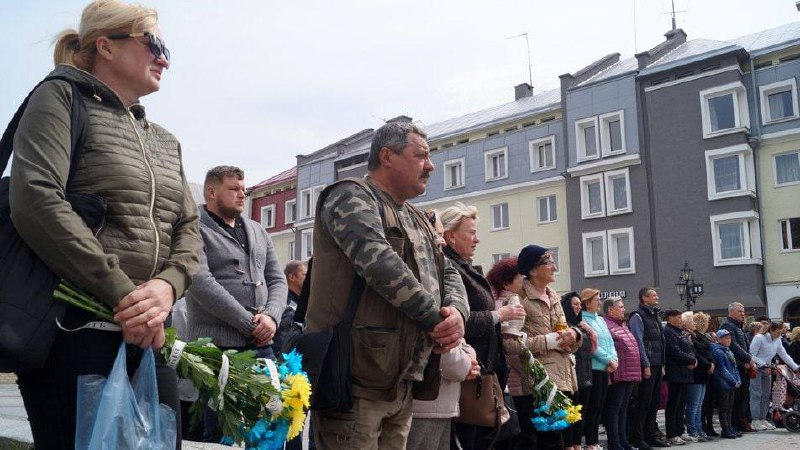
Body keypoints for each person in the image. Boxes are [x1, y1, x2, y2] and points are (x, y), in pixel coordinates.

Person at [9, 2, 200, 448]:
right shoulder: (59, 98)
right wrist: (124, 293)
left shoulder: (165, 141)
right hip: (76, 333)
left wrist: (168, 286)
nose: (164, 59)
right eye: (154, 44)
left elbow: (189, 228)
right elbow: (36, 198)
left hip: (150, 336)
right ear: (106, 46)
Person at [303, 121, 469, 450]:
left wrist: (457, 315)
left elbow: (448, 269)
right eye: (421, 156)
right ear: (387, 156)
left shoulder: (416, 217)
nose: (431, 166)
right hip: (354, 381)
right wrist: (437, 321)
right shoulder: (350, 196)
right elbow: (379, 263)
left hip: (400, 380)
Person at [185, 166, 288, 442]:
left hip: (262, 344)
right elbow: (201, 283)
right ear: (211, 192)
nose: (242, 194)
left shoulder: (257, 230)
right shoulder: (193, 228)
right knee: (221, 431)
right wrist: (249, 323)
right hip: (217, 349)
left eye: (243, 189)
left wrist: (272, 317)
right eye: (233, 189)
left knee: (269, 427)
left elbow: (277, 279)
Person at [441, 202, 523, 449]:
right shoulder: (448, 268)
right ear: (451, 236)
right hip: (467, 376)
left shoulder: (463, 267)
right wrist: (499, 315)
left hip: (481, 374)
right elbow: (457, 321)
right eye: (472, 233)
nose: (477, 239)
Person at [500, 245, 581, 450]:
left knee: (557, 441)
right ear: (533, 270)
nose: (555, 267)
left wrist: (574, 335)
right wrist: (548, 341)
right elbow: (508, 343)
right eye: (549, 262)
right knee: (544, 442)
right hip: (537, 384)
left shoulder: (554, 296)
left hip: (561, 379)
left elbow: (563, 331)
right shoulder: (518, 298)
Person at [407, 339, 479, 450]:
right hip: (425, 405)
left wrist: (468, 359)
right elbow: (448, 357)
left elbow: (461, 345)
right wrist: (468, 365)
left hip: (437, 405)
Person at [628, 288, 669, 449]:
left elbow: (661, 341)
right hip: (648, 364)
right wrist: (645, 364)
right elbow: (638, 341)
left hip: (657, 364)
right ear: (644, 298)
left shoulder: (655, 315)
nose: (657, 297)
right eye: (653, 295)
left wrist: (662, 364)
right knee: (644, 402)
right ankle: (638, 437)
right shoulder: (637, 316)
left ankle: (650, 435)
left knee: (654, 401)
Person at [580, 288, 617, 450]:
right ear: (587, 303)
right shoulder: (583, 319)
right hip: (593, 367)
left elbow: (609, 342)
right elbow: (591, 345)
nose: (600, 302)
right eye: (597, 300)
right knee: (592, 407)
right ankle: (590, 442)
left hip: (604, 368)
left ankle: (594, 441)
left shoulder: (601, 320)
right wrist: (608, 359)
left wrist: (614, 360)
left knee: (600, 405)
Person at [603, 297, 641, 450]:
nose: (624, 309)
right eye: (620, 307)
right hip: (618, 373)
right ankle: (615, 443)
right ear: (610, 310)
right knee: (614, 409)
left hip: (628, 373)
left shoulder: (622, 325)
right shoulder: (607, 325)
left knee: (623, 409)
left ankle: (623, 441)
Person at [559, 292, 596, 450]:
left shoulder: (581, 325)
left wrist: (590, 331)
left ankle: (577, 443)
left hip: (585, 374)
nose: (578, 307)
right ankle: (568, 445)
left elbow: (593, 349)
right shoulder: (564, 325)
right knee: (570, 412)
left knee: (581, 413)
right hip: (571, 374)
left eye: (579, 304)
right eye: (575, 304)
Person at [749, 321, 800, 430]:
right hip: (757, 369)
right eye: (777, 332)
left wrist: (796, 368)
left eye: (781, 332)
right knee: (756, 394)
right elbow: (752, 355)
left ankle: (763, 418)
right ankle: (755, 420)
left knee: (766, 395)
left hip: (767, 369)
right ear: (771, 330)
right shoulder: (759, 338)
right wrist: (764, 364)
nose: (779, 334)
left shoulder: (778, 340)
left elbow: (785, 356)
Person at [720, 302, 757, 433]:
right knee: (736, 397)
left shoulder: (738, 326)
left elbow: (745, 345)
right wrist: (748, 359)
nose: (743, 313)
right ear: (731, 312)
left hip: (744, 366)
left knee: (744, 396)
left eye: (743, 311)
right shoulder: (727, 325)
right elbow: (734, 346)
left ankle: (742, 422)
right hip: (736, 366)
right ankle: (735, 424)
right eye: (740, 311)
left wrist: (749, 359)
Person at [663, 309, 697, 446]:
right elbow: (674, 351)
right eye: (677, 317)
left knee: (681, 404)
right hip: (675, 372)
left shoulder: (680, 332)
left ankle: (680, 430)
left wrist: (693, 359)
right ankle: (672, 433)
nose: (680, 320)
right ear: (670, 318)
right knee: (674, 404)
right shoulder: (668, 332)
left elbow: (689, 348)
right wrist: (691, 360)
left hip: (684, 373)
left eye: (680, 317)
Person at [684, 311, 714, 442]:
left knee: (699, 404)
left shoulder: (695, 336)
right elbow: (695, 354)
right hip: (695, 373)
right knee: (693, 404)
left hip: (702, 373)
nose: (694, 323)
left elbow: (706, 351)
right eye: (691, 321)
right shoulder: (688, 337)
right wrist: (708, 364)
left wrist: (711, 363)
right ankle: (693, 430)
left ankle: (699, 429)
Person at [709, 329, 742, 439]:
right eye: (726, 338)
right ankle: (725, 429)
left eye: (729, 338)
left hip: (731, 383)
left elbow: (735, 367)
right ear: (719, 339)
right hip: (723, 383)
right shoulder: (718, 351)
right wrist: (733, 381)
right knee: (724, 407)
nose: (729, 340)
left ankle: (729, 427)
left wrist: (738, 380)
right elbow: (722, 369)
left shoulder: (728, 350)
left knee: (730, 407)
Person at [273, 259, 307, 354]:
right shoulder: (281, 300)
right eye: (305, 274)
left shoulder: (303, 299)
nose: (309, 278)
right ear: (292, 277)